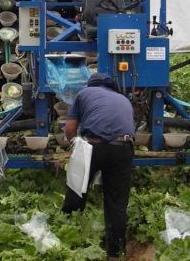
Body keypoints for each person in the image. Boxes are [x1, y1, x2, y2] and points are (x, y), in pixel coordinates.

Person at [62, 73, 135, 260]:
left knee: (77, 191)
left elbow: (70, 129)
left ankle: (68, 243)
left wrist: (74, 145)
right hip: (124, 147)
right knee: (117, 203)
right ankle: (115, 254)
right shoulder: (123, 99)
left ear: (90, 84)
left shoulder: (84, 93)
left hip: (93, 146)